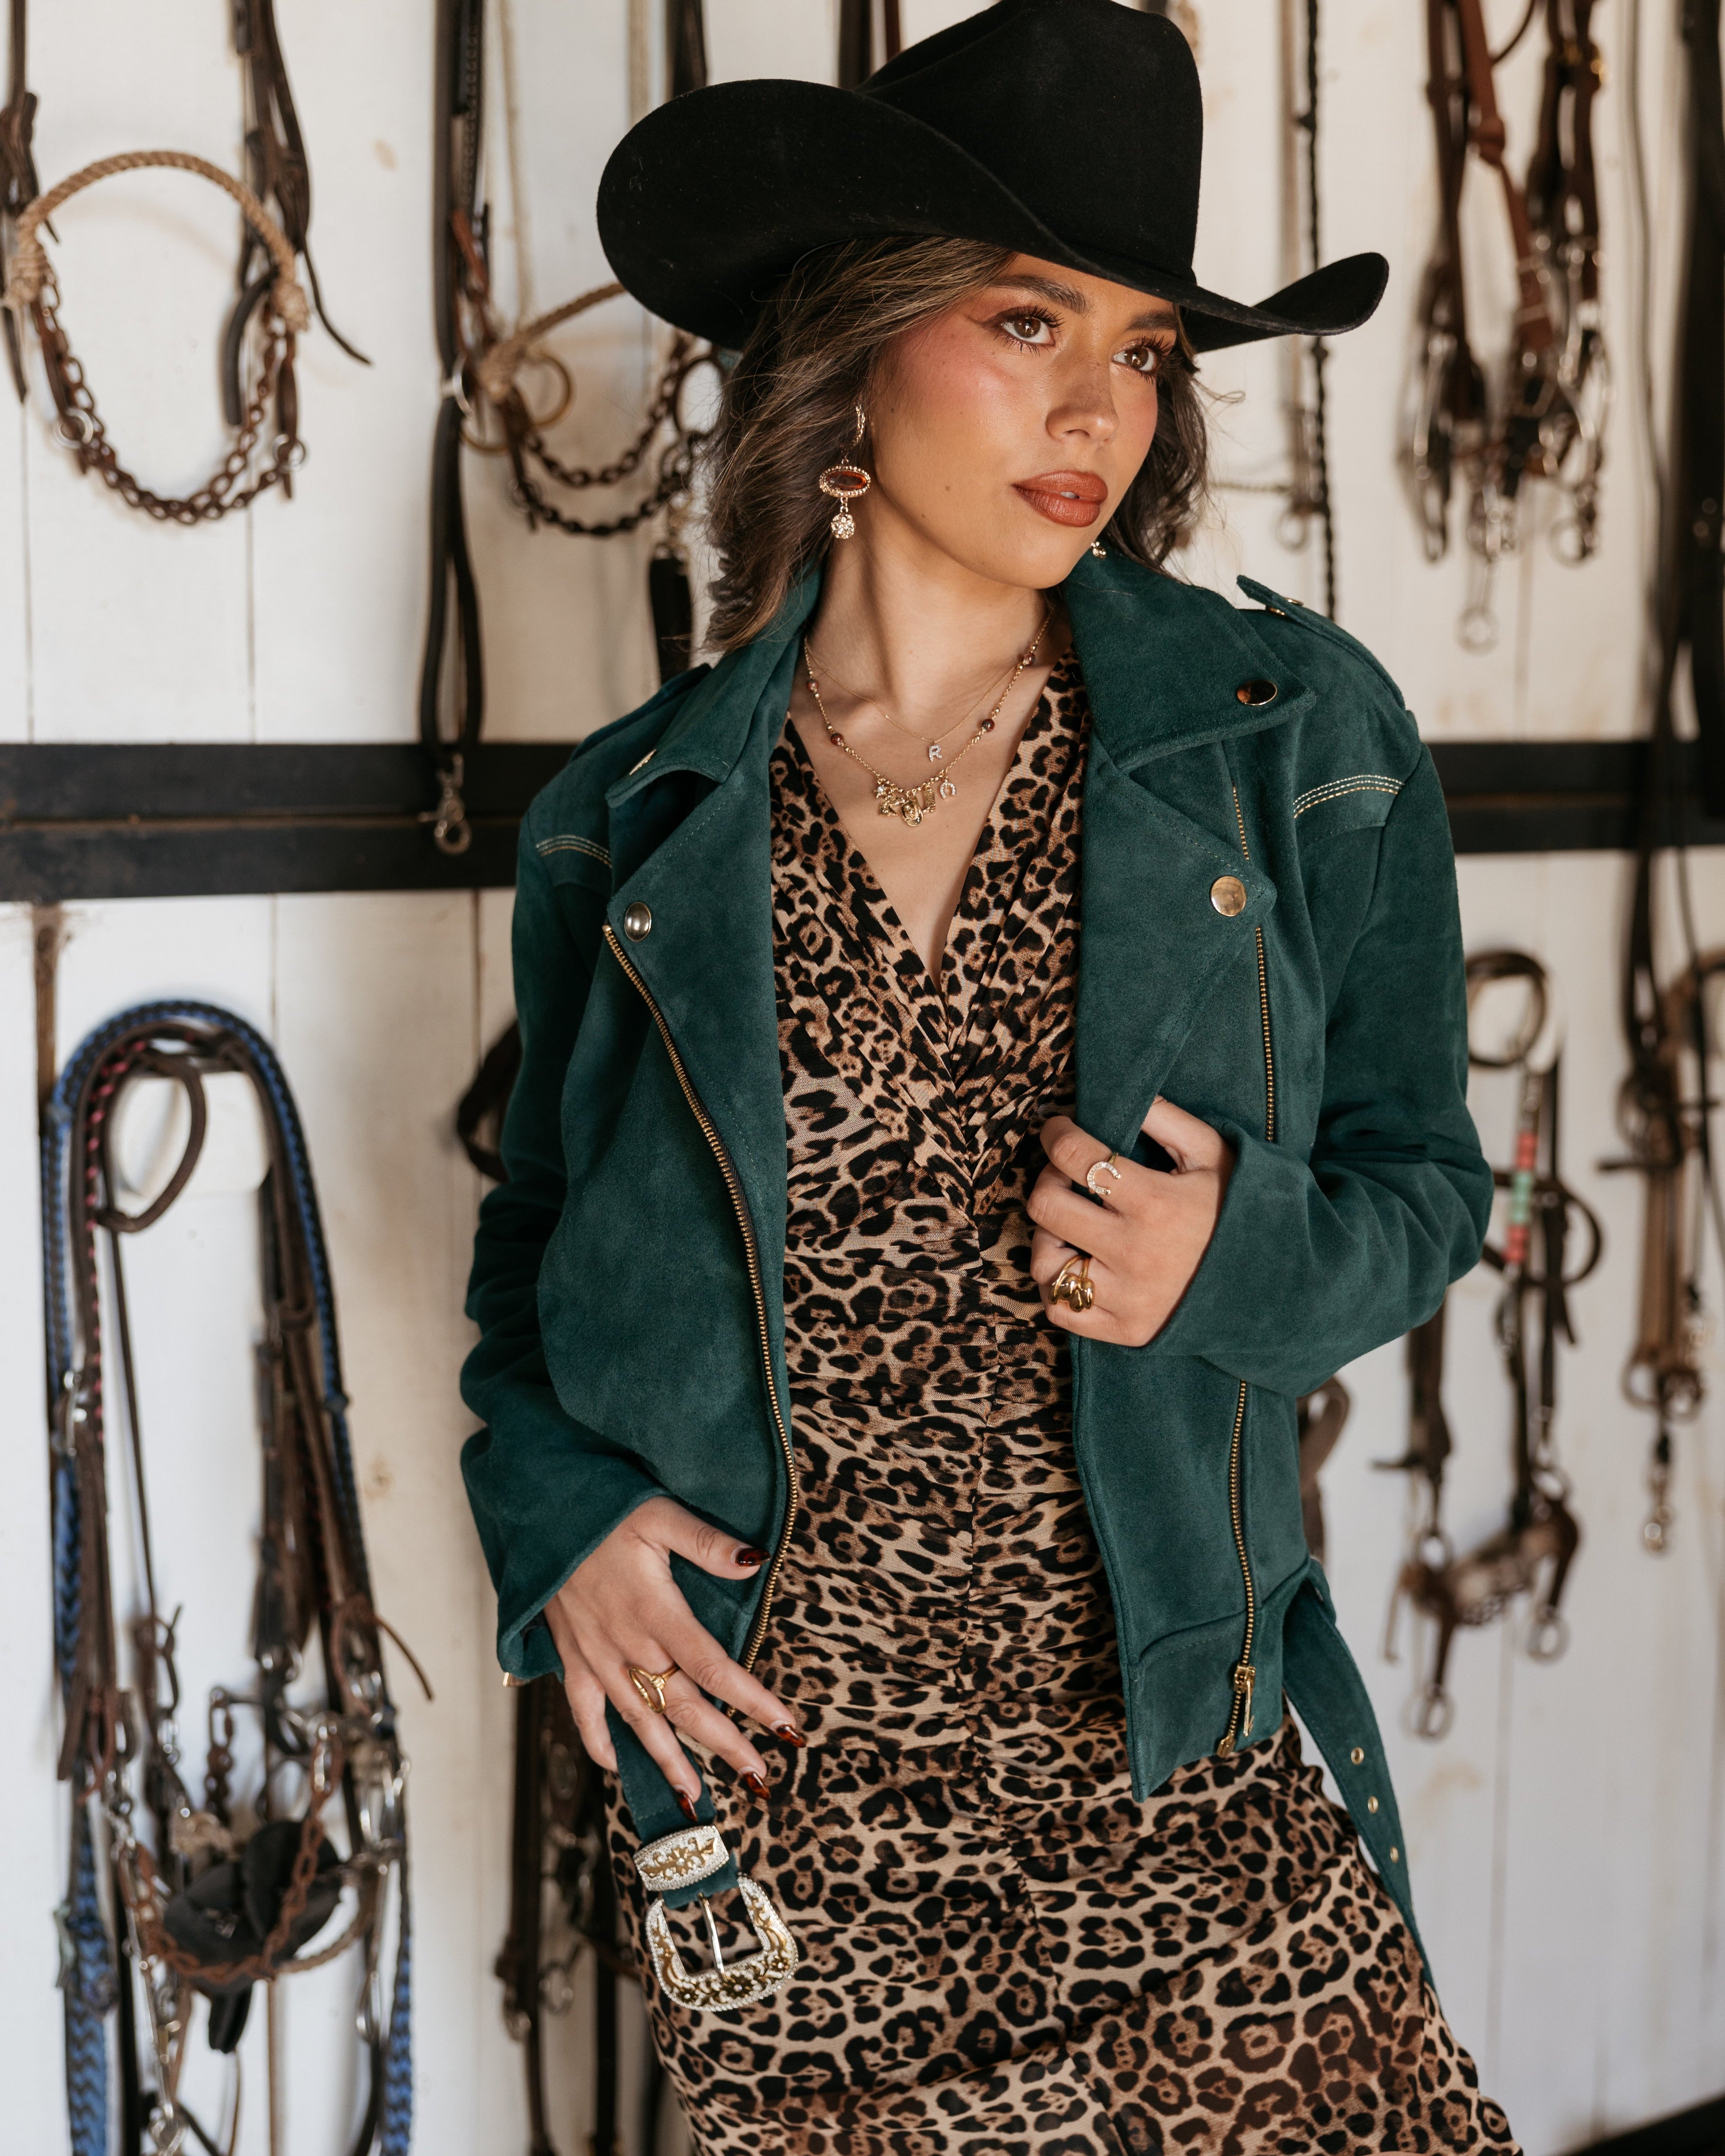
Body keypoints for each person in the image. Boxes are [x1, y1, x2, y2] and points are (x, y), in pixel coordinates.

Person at [461, 2, 1518, 2148]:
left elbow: (1426, 1189)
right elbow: (538, 1257)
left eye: (1142, 348)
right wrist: (557, 1522)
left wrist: (1230, 1259)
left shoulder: (1290, 739)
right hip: (794, 1834)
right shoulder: (631, 822)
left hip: (1182, 1797)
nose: (1098, 407)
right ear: (852, 350)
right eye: (1028, 321)